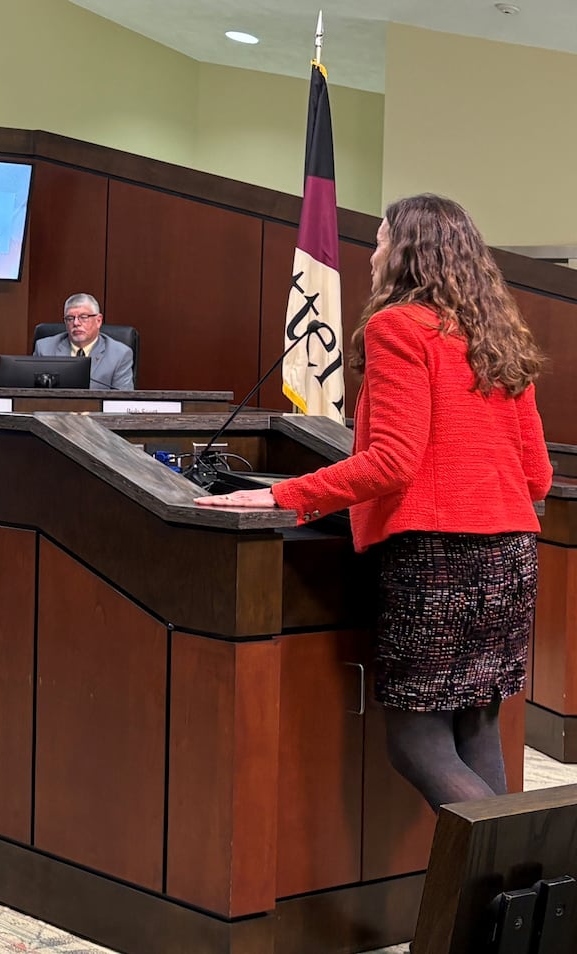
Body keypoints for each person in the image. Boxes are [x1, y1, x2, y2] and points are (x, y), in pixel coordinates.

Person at [196, 194, 553, 812]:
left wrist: (283, 495)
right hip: (511, 556)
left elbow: (393, 461)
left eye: (383, 240)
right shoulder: (494, 336)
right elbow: (538, 476)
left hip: (438, 558)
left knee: (416, 743)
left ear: (408, 253)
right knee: (477, 727)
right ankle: (510, 899)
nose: (373, 253)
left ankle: (502, 888)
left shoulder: (396, 328)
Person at [33, 293, 135, 390]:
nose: (76, 323)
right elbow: (33, 395)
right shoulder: (45, 349)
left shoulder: (119, 354)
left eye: (83, 317)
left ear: (98, 321)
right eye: (70, 318)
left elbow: (122, 402)